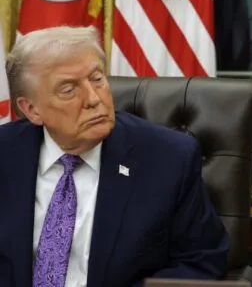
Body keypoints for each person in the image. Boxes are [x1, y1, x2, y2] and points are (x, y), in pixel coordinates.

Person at [0, 26, 229, 286]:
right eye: (68, 89)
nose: (93, 99)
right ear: (31, 109)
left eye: (97, 79)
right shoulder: (6, 154)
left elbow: (202, 260)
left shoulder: (168, 158)